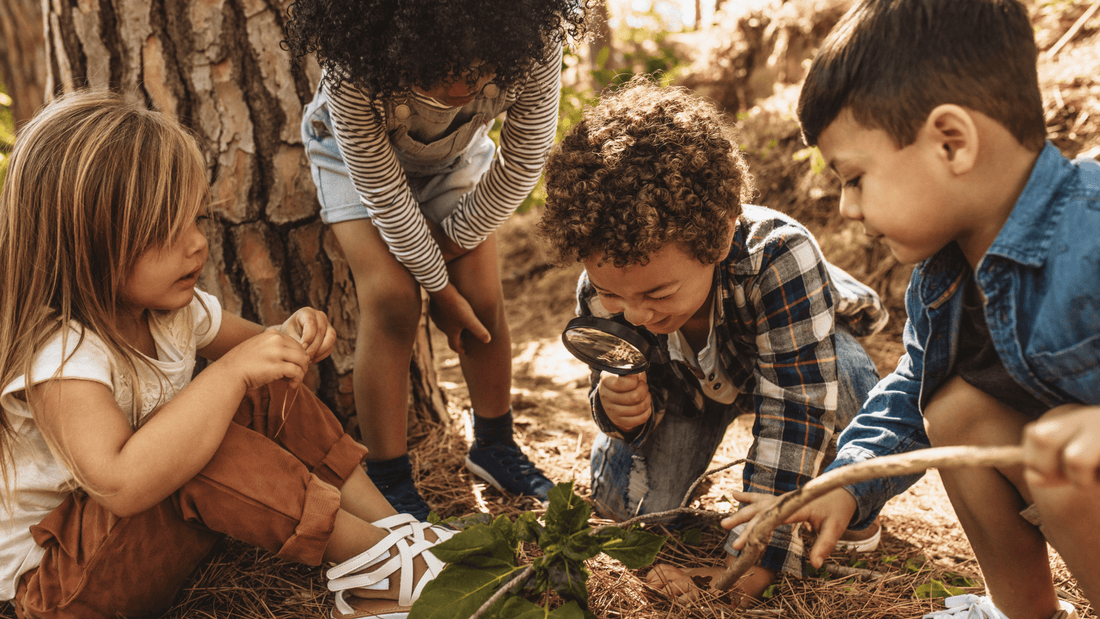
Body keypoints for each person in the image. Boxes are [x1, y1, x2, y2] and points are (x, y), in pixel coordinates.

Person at [0, 90, 455, 619]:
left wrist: (292, 335)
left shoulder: (173, 311)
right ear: (86, 244)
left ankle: (393, 532)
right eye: (166, 232)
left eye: (197, 221)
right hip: (56, 590)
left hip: (132, 547)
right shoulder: (61, 356)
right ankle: (380, 566)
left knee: (257, 393)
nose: (197, 245)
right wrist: (231, 374)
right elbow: (120, 485)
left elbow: (263, 351)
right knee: (200, 447)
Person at [724, 1, 1100, 617]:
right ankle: (1022, 612)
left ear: (951, 143)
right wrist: (843, 484)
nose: (846, 208)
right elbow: (909, 391)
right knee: (954, 410)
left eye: (854, 178)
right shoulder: (942, 279)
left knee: (1062, 465)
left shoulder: (1090, 230)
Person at [536, 78, 889, 601]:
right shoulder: (605, 289)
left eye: (658, 291)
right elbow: (609, 381)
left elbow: (796, 404)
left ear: (720, 235)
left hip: (790, 362)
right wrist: (617, 410)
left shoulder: (780, 256)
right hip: (687, 394)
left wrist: (761, 548)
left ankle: (851, 505)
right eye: (615, 294)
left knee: (849, 375)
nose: (635, 312)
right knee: (624, 510)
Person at [281, 0, 594, 520]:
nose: (460, 90)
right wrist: (437, 290)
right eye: (438, 73)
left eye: (477, 73)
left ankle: (494, 445)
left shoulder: (532, 41)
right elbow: (384, 195)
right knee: (392, 299)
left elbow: (523, 161)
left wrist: (450, 252)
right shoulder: (354, 73)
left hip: (456, 158)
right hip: (354, 163)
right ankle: (388, 476)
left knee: (483, 298)